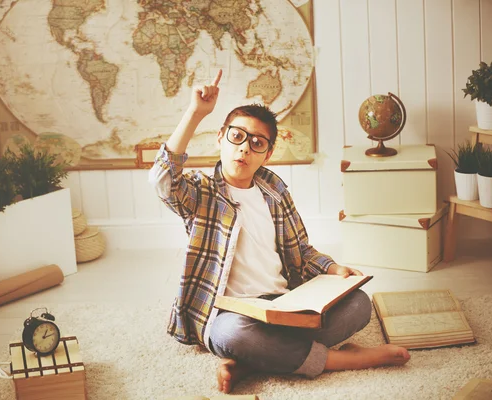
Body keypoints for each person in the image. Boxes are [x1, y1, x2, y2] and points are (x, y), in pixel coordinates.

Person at [148, 70, 410, 394]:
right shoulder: (201, 193)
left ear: (267, 153)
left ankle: (249, 362)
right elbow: (162, 180)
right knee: (228, 336)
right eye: (237, 136)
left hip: (284, 304)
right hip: (233, 313)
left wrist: (332, 268)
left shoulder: (275, 191)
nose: (244, 149)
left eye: (257, 142)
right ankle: (342, 360)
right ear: (220, 137)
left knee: (359, 305)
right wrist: (196, 113)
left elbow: (301, 251)